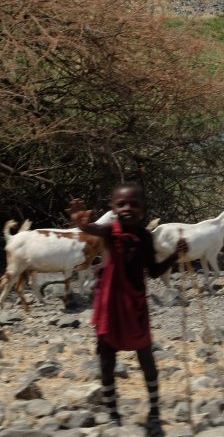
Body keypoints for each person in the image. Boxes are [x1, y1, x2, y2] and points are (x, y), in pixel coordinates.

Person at [68, 184, 188, 435]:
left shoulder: (145, 237)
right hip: (110, 305)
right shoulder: (110, 231)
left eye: (134, 204)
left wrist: (175, 256)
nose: (127, 208)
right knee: (106, 357)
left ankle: (154, 408)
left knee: (146, 354)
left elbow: (153, 272)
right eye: (121, 204)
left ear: (143, 209)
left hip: (135, 305)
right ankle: (112, 412)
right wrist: (81, 224)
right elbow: (92, 228)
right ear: (113, 208)